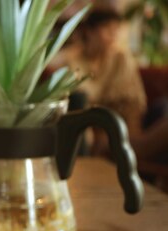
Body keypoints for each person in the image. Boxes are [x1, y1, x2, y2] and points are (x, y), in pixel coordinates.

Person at [56, 8, 147, 155]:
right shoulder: (72, 58)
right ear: (90, 31)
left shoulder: (121, 59)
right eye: (107, 29)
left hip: (117, 124)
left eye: (116, 29)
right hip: (84, 126)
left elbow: (132, 104)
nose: (113, 35)